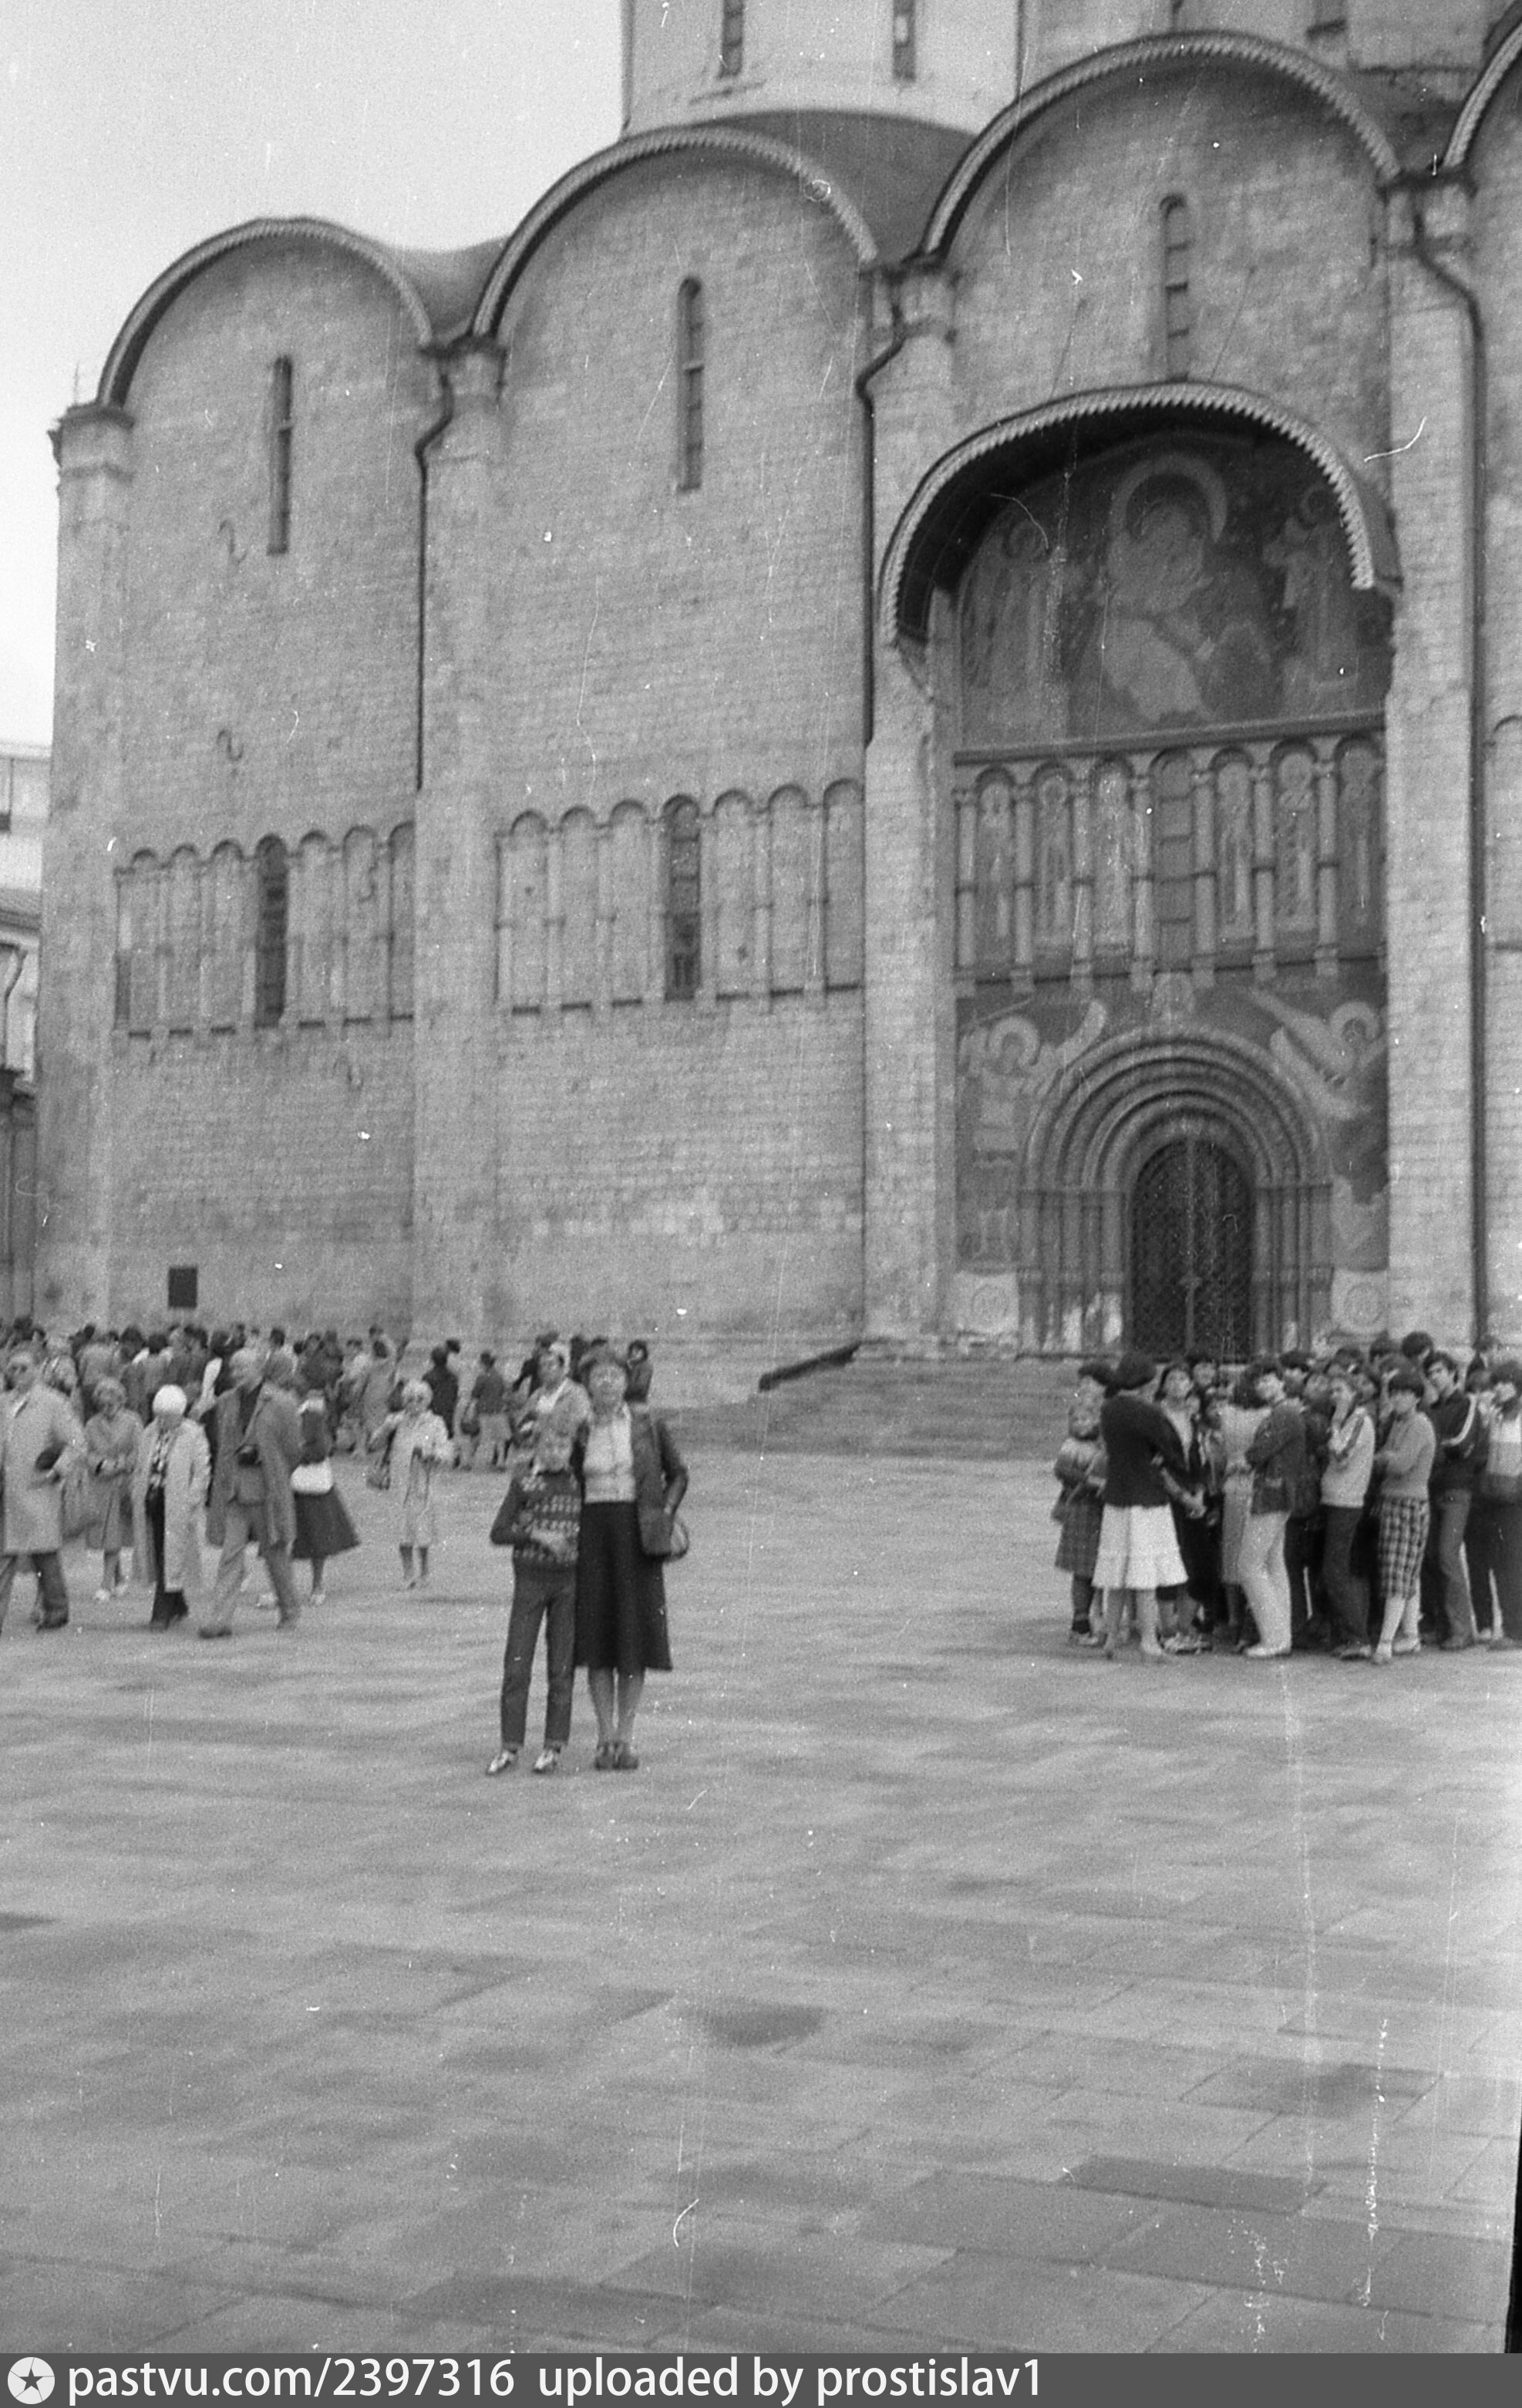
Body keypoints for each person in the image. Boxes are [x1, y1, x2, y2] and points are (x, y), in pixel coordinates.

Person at [574, 1342, 687, 1766]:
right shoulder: (579, 1430)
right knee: (597, 1639)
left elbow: (679, 1474)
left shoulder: (648, 1425)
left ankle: (627, 1735)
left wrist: (665, 1513)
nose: (607, 1382)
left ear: (626, 1381)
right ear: (587, 1385)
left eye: (614, 1375)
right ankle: (604, 1735)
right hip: (593, 1533)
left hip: (636, 1534)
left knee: (633, 1637)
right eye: (598, 1376)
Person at [486, 1402, 583, 1775]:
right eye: (548, 1446)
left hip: (569, 1581)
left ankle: (554, 1745)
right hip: (530, 1580)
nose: (555, 1453)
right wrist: (538, 1535)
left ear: (571, 1449)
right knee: (517, 1662)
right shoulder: (525, 1482)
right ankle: (510, 1744)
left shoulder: (579, 1484)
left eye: (562, 1446)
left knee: (561, 1666)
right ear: (537, 1448)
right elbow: (499, 1532)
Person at [200, 1346, 305, 1637]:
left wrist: (268, 1461)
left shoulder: (281, 1402)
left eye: (242, 1368)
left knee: (274, 1554)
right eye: (233, 1368)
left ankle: (289, 1610)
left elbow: (294, 1449)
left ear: (259, 1368)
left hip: (265, 1490)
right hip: (233, 1490)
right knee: (229, 1555)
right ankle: (220, 1619)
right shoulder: (226, 1401)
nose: (235, 1374)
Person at [1092, 1351, 1189, 1663]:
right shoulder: (1147, 1412)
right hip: (1146, 1496)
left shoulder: (1109, 1408)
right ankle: (1149, 1641)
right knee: (1145, 1574)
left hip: (1117, 1496)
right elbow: (1172, 1450)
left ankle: (1110, 1637)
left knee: (1117, 1570)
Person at [0, 1348, 86, 1633]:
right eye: (12, 1368)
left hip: (36, 1487)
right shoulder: (4, 1402)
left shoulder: (53, 1403)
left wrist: (57, 1470)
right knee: (5, 1553)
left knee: (43, 1553)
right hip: (6, 1489)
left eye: (24, 1368)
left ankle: (57, 1608)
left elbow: (77, 1442)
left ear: (37, 1369)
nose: (17, 1374)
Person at [1240, 1358, 1308, 1659]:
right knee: (1272, 1564)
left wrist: (1244, 1459)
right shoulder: (1284, 1412)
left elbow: (1258, 1453)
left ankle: (1273, 1637)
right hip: (1279, 1494)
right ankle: (1281, 1637)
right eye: (1258, 1382)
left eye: (1268, 1379)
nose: (1262, 1386)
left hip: (1272, 1494)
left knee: (1249, 1566)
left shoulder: (1284, 1414)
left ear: (1281, 1381)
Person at [1369, 1362, 1436, 1664]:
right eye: (1394, 1393)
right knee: (1407, 1573)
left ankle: (1386, 1642)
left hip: (1408, 1503)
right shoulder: (1397, 1422)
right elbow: (1391, 1459)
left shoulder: (1419, 1424)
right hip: (1395, 1501)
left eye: (1404, 1393)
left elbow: (1400, 1465)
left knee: (1398, 1574)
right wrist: (1388, 1457)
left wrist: (1385, 1457)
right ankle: (1410, 1635)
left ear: (1417, 1397)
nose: (1397, 1398)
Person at [132, 1386, 211, 1629]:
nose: (162, 1421)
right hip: (153, 1500)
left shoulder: (193, 1434)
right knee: (159, 1553)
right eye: (159, 1415)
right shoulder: (149, 1432)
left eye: (168, 1416)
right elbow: (140, 1464)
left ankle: (162, 1611)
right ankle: (178, 1604)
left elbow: (202, 1472)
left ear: (180, 1413)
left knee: (172, 1554)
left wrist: (192, 1500)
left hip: (178, 1504)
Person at [1420, 1351, 1483, 1651]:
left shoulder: (1467, 1403)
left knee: (1447, 1555)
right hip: (1433, 1487)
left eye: (1439, 1371)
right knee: (1432, 1556)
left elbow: (1462, 1443)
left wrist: (1433, 1449)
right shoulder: (1430, 1409)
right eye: (1430, 1373)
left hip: (1457, 1488)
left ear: (1452, 1373)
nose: (1434, 1377)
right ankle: (1441, 1625)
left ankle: (1462, 1629)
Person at [1321, 1363, 1376, 1659]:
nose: (1335, 1396)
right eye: (1332, 1391)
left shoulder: (1359, 1421)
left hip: (1347, 1502)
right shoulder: (1348, 1421)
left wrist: (1336, 1423)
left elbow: (1341, 1455)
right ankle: (1346, 1634)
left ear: (1354, 1393)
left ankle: (1358, 1637)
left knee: (1336, 1571)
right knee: (1333, 1570)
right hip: (1334, 1499)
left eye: (1340, 1390)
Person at [376, 1378, 454, 1587]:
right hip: (400, 1482)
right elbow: (374, 1443)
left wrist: (429, 1453)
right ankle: (407, 1572)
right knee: (402, 1528)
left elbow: (446, 1452)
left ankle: (425, 1570)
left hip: (423, 1482)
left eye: (420, 1399)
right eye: (410, 1399)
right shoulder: (396, 1421)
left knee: (422, 1528)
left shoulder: (435, 1423)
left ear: (427, 1401)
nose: (415, 1404)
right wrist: (385, 1428)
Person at [1052, 1361, 1109, 1644]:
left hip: (1102, 1507)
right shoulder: (1073, 1444)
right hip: (1083, 1507)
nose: (1082, 1424)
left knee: (1098, 1567)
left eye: (1087, 1419)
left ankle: (1099, 1618)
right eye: (1077, 1420)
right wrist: (1091, 1482)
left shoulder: (1103, 1435)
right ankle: (1081, 1621)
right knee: (1083, 1569)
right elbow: (1062, 1470)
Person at [290, 1389, 359, 1605]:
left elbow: (321, 1450)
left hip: (307, 1482)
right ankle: (283, 1587)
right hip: (285, 1483)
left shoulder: (312, 1417)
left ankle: (317, 1584)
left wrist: (293, 1456)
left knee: (316, 1536)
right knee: (282, 1538)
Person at [1471, 1360, 1522, 1649]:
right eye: (1497, 1383)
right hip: (1493, 1498)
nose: (1500, 1388)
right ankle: (1510, 1628)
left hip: (1514, 1501)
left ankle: (1516, 1630)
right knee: (1502, 1564)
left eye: (1506, 1383)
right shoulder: (1497, 1416)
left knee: (1513, 1564)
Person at [80, 1373, 140, 1601]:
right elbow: (84, 1451)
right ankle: (119, 1577)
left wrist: (121, 1464)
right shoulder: (91, 1424)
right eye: (102, 1405)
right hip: (100, 1484)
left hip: (123, 1484)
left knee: (113, 1534)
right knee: (107, 1535)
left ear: (120, 1401)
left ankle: (106, 1583)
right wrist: (99, 1464)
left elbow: (139, 1450)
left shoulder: (133, 1421)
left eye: (111, 1404)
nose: (107, 1409)